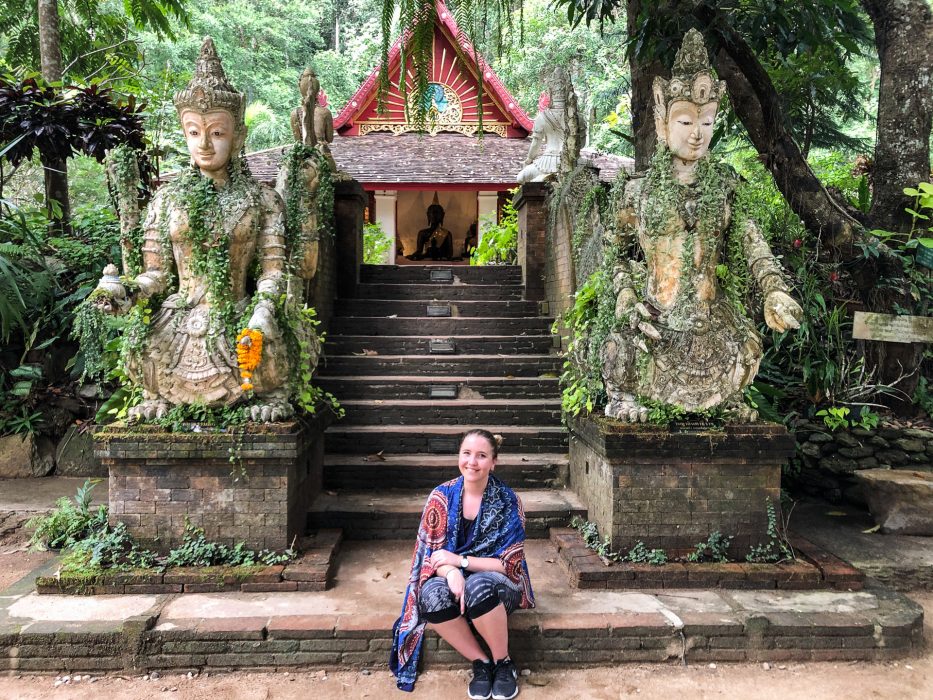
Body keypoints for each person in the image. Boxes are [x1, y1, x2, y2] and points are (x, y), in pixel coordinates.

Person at [600, 29, 802, 422]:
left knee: (747, 347)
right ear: (663, 122)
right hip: (656, 316)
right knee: (620, 347)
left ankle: (724, 399)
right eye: (686, 120)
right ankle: (624, 397)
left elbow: (751, 241)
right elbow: (615, 253)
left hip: (712, 319)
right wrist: (626, 300)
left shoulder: (725, 186)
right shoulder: (637, 193)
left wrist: (774, 290)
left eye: (707, 122)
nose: (697, 134)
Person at [391, 429, 534, 698]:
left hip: (500, 586)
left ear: (494, 462)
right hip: (454, 580)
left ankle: (503, 663)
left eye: (482, 456)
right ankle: (482, 662)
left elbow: (510, 566)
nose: (472, 462)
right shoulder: (441, 497)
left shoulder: (508, 501)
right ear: (459, 456)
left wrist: (461, 561)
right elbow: (431, 557)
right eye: (467, 453)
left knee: (477, 586)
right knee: (431, 594)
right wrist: (450, 572)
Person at [410, 195, 453, 260]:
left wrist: (439, 253)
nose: (434, 215)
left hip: (442, 261)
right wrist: (414, 256)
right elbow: (419, 251)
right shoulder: (422, 233)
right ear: (428, 215)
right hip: (427, 260)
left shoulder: (447, 234)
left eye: (437, 213)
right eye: (432, 212)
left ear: (442, 215)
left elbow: (449, 254)